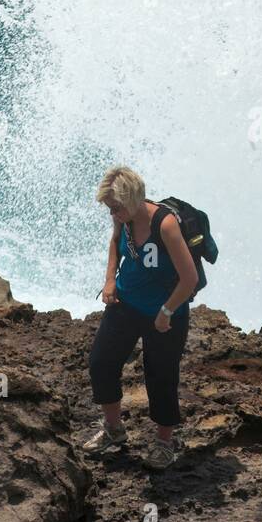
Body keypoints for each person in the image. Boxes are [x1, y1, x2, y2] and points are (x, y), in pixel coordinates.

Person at [83, 165, 199, 470]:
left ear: (133, 200)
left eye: (116, 208)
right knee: (101, 363)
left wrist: (165, 312)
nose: (113, 214)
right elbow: (114, 244)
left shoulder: (166, 225)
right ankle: (114, 430)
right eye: (110, 208)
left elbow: (190, 279)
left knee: (161, 376)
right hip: (126, 303)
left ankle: (164, 443)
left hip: (166, 311)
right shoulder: (124, 218)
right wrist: (109, 280)